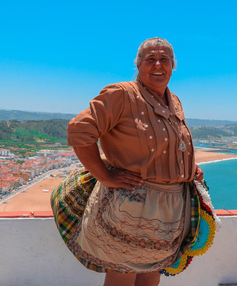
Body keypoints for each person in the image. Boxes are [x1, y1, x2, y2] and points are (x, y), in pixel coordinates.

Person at [65, 37, 204, 286]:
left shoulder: (175, 101)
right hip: (131, 207)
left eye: (164, 59)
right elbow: (79, 131)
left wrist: (187, 167)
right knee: (123, 274)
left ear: (173, 66)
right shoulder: (122, 94)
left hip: (170, 210)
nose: (157, 65)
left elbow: (167, 144)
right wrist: (105, 175)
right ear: (138, 65)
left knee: (152, 273)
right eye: (150, 59)